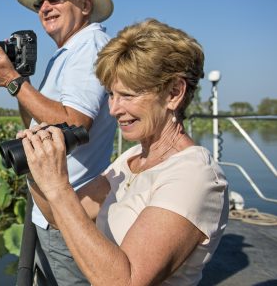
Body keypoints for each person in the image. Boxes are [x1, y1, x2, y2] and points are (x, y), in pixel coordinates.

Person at [21, 19, 229, 285]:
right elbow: (59, 217)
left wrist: (59, 186)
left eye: (128, 96)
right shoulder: (130, 161)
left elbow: (126, 281)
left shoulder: (194, 176)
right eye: (111, 94)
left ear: (174, 93)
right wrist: (35, 168)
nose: (114, 109)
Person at [0, 0, 117, 284]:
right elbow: (37, 122)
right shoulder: (67, 52)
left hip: (71, 211)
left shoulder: (89, 48)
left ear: (85, 4)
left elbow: (75, 124)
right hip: (51, 209)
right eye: (39, 2)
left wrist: (14, 81)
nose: (45, 7)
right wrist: (20, 81)